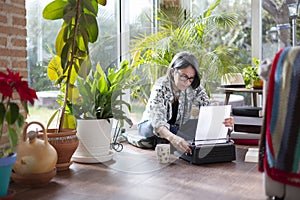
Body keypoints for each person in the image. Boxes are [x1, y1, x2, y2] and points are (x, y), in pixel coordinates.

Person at [137, 51, 234, 153]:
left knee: (197, 124)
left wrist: (224, 121)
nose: (187, 82)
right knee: (153, 127)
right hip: (151, 126)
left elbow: (208, 108)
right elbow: (157, 121)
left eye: (191, 78)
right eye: (183, 76)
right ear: (172, 71)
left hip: (176, 128)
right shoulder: (160, 86)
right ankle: (175, 140)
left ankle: (174, 141)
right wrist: (174, 138)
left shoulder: (193, 86)